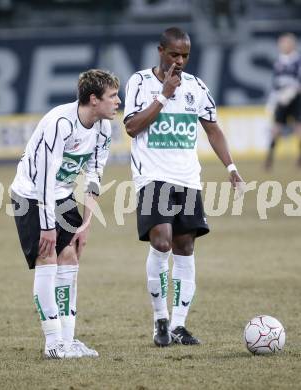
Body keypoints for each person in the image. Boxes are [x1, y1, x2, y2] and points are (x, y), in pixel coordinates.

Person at [124, 27, 244, 347]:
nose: (180, 61)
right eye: (174, 54)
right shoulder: (140, 82)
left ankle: (178, 326)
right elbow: (132, 127)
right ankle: (159, 319)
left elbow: (213, 129)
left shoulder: (197, 87)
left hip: (188, 179)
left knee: (185, 249)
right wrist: (163, 94)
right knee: (161, 243)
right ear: (160, 51)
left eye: (185, 56)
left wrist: (230, 167)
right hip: (152, 177)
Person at [11, 69, 120, 359]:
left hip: (61, 195)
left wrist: (85, 225)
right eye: (112, 96)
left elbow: (94, 175)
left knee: (70, 256)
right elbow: (44, 179)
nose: (118, 101)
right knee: (46, 257)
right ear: (94, 99)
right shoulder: (60, 123)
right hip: (31, 195)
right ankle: (53, 343)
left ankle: (68, 341)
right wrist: (48, 226)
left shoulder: (103, 128)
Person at [264, 32, 301, 169]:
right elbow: (276, 83)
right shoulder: (279, 61)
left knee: (299, 128)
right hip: (281, 98)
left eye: (284, 43)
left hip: (296, 98)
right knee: (276, 128)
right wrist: (272, 100)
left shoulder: (297, 61)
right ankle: (269, 157)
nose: (281, 45)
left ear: (292, 44)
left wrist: (292, 91)